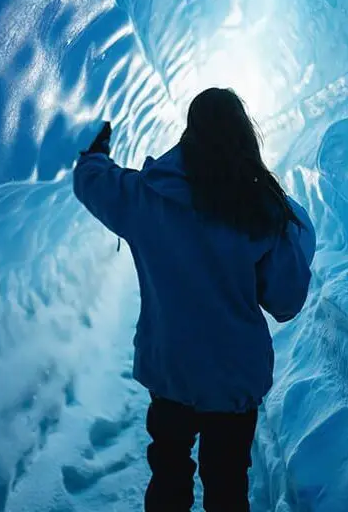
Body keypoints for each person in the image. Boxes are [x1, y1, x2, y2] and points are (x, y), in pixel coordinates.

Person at [72, 87, 316, 512]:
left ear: (190, 130)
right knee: (227, 488)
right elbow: (285, 302)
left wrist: (96, 152)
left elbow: (92, 182)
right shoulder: (261, 208)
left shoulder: (145, 195)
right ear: (243, 132)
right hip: (234, 379)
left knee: (168, 479)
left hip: (172, 372)